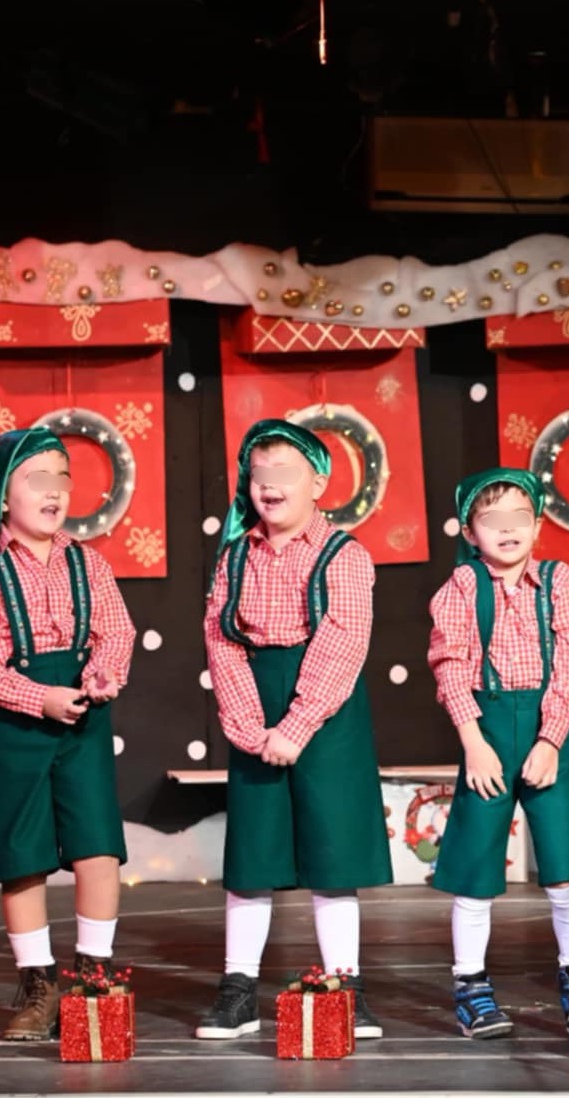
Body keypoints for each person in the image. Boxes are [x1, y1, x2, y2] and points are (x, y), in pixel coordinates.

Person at [196, 419, 393, 1042]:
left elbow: (342, 641)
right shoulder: (236, 556)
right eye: (260, 474)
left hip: (326, 711)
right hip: (257, 704)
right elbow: (222, 640)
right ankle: (238, 990)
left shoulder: (343, 554)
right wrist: (248, 724)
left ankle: (345, 986)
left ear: (319, 482)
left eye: (285, 472)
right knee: (253, 855)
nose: (270, 485)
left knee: (333, 853)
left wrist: (298, 723)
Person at [0, 427, 134, 1042]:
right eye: (37, 480)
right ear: (3, 494)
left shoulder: (88, 561)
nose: (54, 492)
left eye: (62, 479)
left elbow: (116, 631)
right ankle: (38, 984)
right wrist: (36, 697)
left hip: (79, 713)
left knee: (97, 845)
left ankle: (93, 976)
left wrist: (102, 675)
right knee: (22, 856)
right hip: (11, 718)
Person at [427, 468, 569, 1037]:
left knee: (564, 868)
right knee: (476, 867)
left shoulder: (562, 583)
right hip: (488, 732)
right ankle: (471, 986)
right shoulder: (461, 587)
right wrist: (474, 744)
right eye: (491, 519)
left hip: (548, 733)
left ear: (538, 525)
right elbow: (451, 668)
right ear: (469, 531)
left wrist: (551, 741)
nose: (507, 529)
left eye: (519, 518)